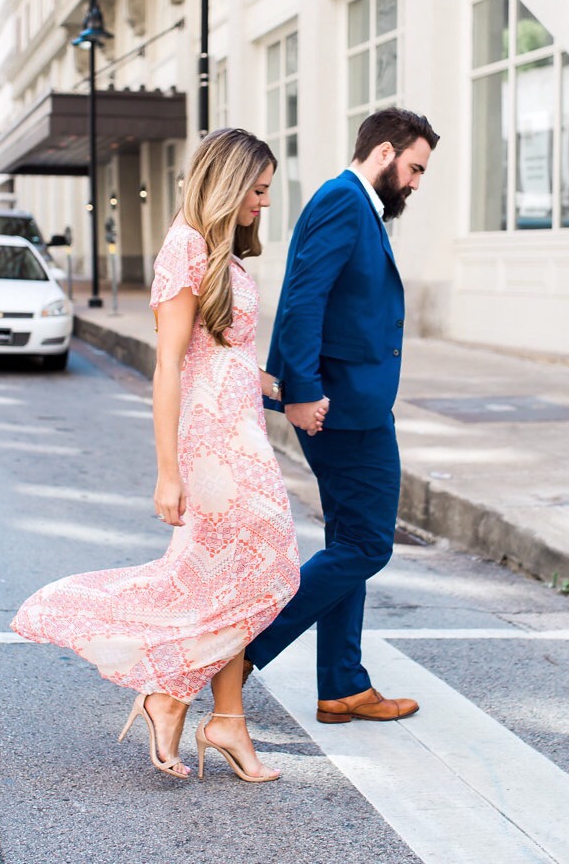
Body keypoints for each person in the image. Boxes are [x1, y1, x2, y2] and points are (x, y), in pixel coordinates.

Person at [11, 128, 300, 783]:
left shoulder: (224, 257)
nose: (263, 202)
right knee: (273, 568)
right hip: (212, 445)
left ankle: (222, 715)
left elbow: (225, 355)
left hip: (243, 433)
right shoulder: (185, 247)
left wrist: (285, 389)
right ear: (225, 183)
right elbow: (167, 366)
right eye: (256, 190)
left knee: (235, 580)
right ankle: (172, 692)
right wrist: (167, 470)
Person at [246, 108, 439, 723]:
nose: (415, 182)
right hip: (341, 407)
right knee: (367, 544)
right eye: (413, 168)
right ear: (383, 153)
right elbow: (304, 298)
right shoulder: (342, 201)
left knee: (348, 540)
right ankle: (243, 651)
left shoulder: (358, 206)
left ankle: (342, 686)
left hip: (352, 400)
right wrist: (301, 391)